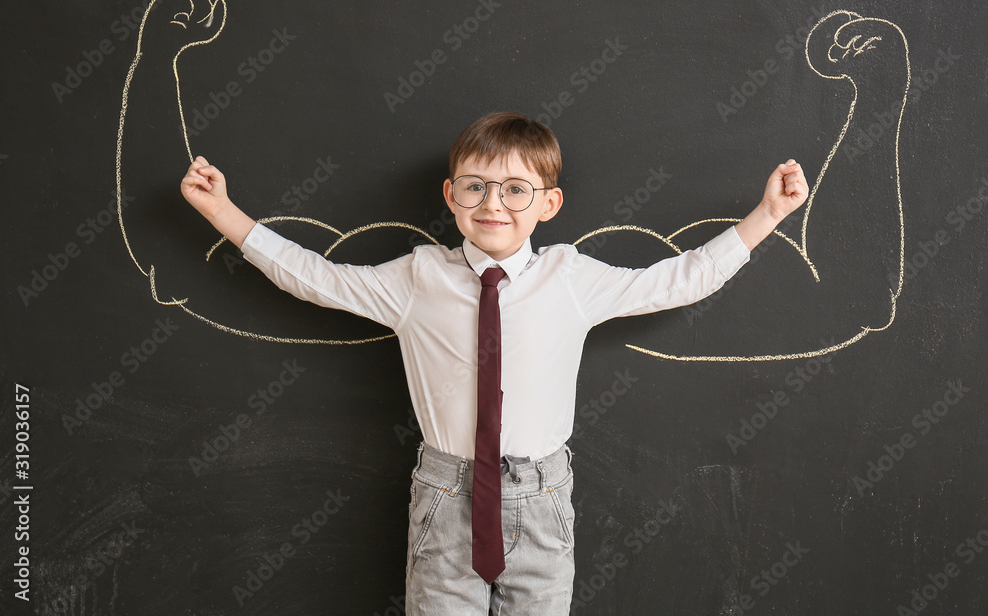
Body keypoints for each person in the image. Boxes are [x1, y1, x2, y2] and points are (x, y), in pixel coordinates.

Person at [180, 111, 807, 614]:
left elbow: (678, 281)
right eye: (476, 186)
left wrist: (768, 215)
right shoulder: (418, 277)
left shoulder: (572, 277)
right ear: (451, 196)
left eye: (516, 189)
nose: (493, 204)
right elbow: (315, 278)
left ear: (549, 204)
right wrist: (222, 213)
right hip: (445, 495)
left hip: (542, 497)